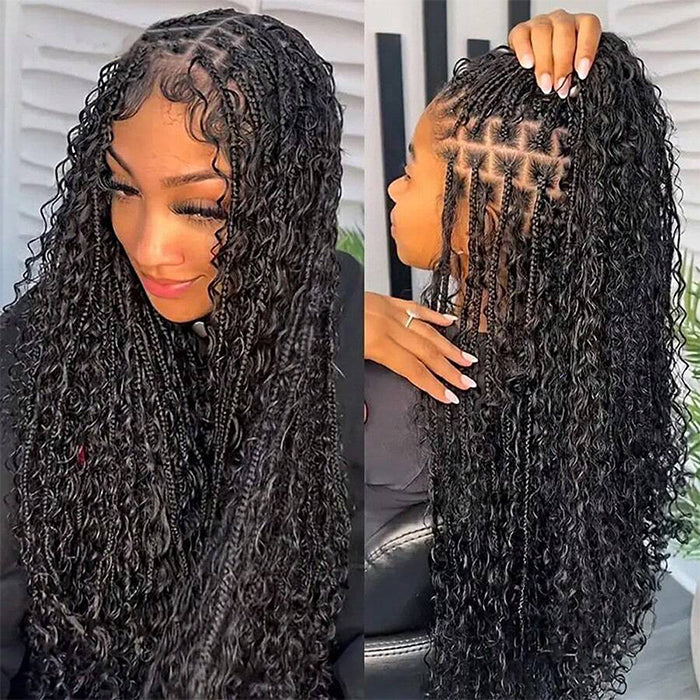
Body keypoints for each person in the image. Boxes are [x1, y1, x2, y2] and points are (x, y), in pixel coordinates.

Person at [0, 8, 362, 699]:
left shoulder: (344, 347)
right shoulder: (40, 353)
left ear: (284, 200)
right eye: (123, 188)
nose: (147, 246)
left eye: (200, 209)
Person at [365, 10, 693, 700]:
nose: (395, 187)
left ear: (485, 210)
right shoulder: (595, 385)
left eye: (413, 170)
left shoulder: (390, 392)